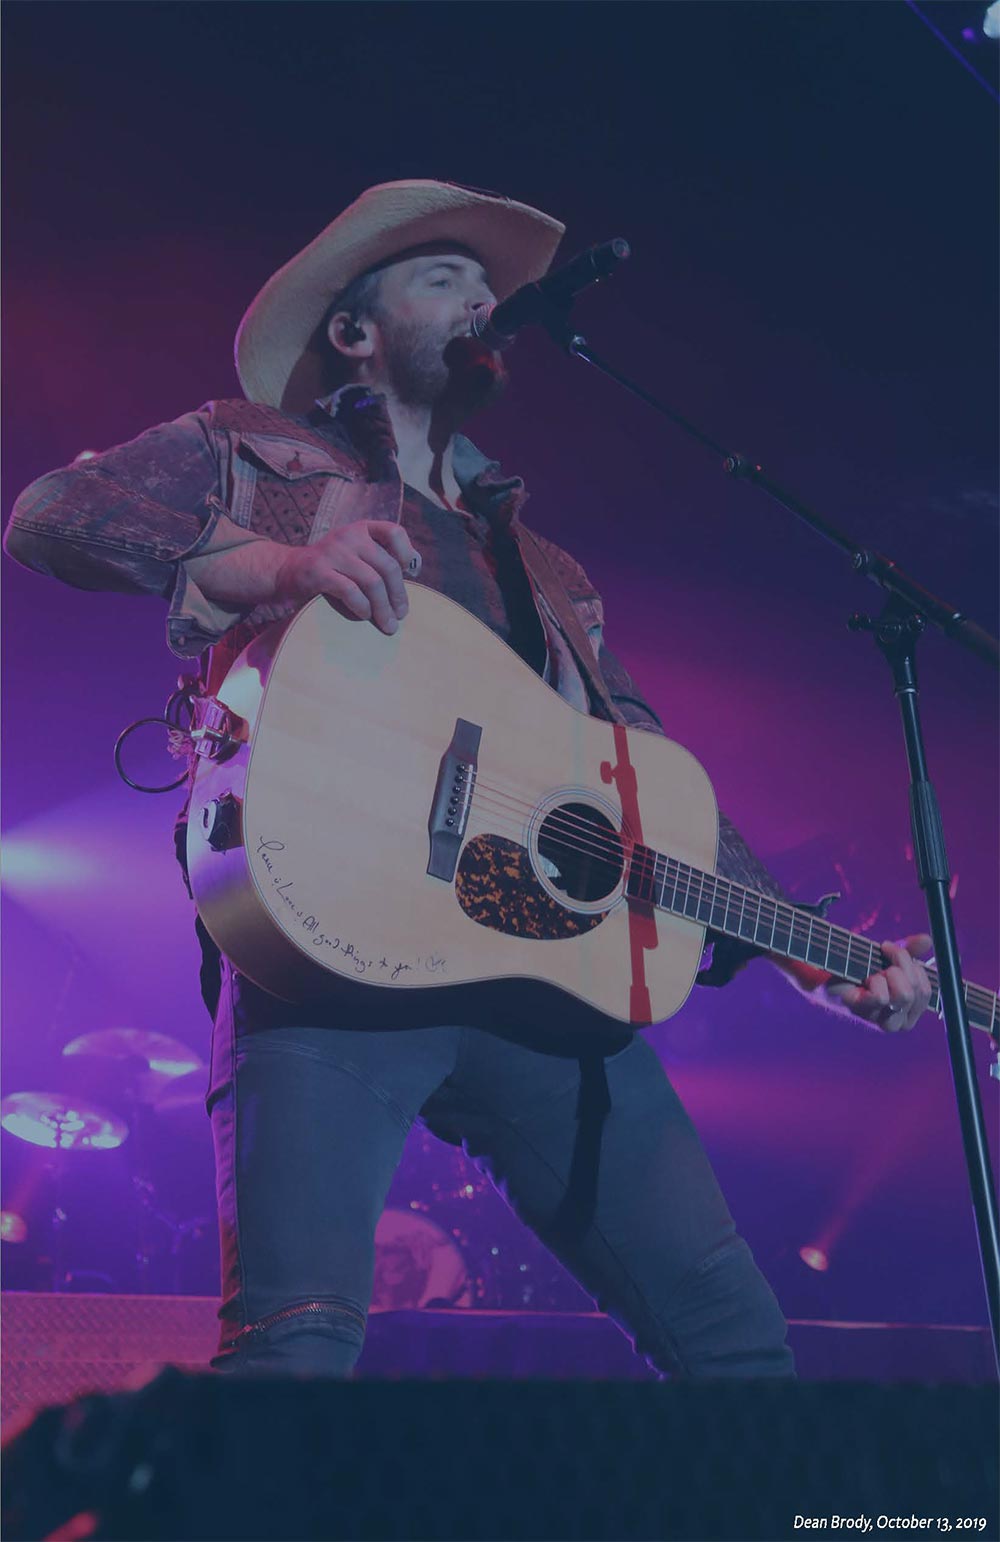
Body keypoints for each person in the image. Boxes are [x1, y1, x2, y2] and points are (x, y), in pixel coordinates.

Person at [5, 179, 932, 1379]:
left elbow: (644, 778)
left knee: (737, 1346)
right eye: (446, 277)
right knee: (294, 1353)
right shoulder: (262, 446)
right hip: (323, 951)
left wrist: (805, 944)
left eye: (490, 287)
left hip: (539, 989)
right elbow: (52, 515)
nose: (486, 298)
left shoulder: (548, 569)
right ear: (354, 330)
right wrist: (283, 559)